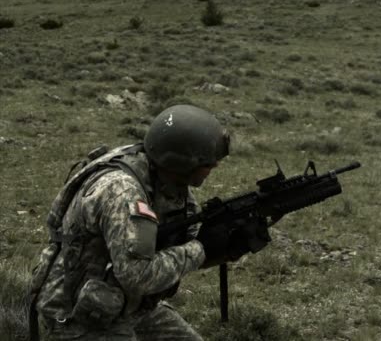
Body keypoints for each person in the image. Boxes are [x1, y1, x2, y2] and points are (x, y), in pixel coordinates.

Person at [30, 104, 252, 340]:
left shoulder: (168, 181)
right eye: (208, 163)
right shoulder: (122, 192)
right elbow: (138, 276)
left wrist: (230, 242)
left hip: (123, 302)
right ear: (182, 162)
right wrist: (201, 248)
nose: (215, 166)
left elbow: (187, 242)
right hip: (78, 312)